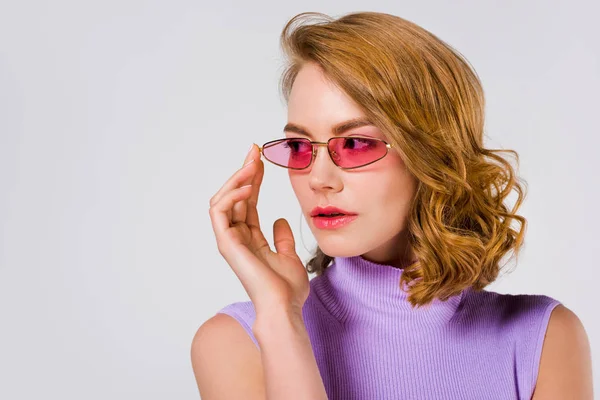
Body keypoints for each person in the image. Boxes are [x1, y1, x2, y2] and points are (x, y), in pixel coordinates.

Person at [191, 11, 593, 400]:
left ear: (433, 154)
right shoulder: (236, 341)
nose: (318, 179)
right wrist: (282, 320)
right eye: (299, 146)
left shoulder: (543, 341)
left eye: (354, 143)